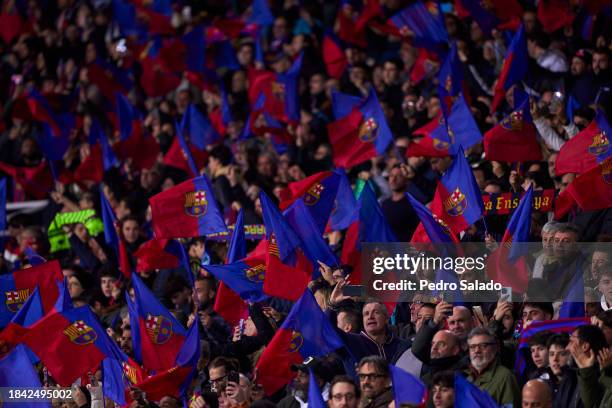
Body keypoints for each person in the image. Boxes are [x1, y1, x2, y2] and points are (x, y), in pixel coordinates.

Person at [464, 327, 520, 407]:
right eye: (472, 347)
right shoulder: (467, 377)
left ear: (495, 348)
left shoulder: (505, 377)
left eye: (483, 345)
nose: (477, 350)